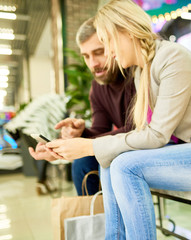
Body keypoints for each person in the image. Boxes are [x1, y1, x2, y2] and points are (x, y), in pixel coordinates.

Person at [42, 0, 191, 238]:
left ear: (126, 31)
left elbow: (155, 135)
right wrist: (81, 145)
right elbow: (142, 132)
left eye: (107, 44)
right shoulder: (142, 70)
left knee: (124, 165)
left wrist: (90, 145)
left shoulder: (173, 58)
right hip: (183, 154)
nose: (110, 53)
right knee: (109, 160)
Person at [28, 17, 136, 196]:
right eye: (86, 56)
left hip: (147, 143)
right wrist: (79, 135)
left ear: (113, 46)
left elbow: (138, 128)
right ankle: (94, 220)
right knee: (83, 161)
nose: (93, 63)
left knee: (101, 159)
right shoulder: (97, 87)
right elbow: (101, 130)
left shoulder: (136, 75)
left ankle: (110, 222)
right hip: (122, 146)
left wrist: (83, 143)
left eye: (99, 52)